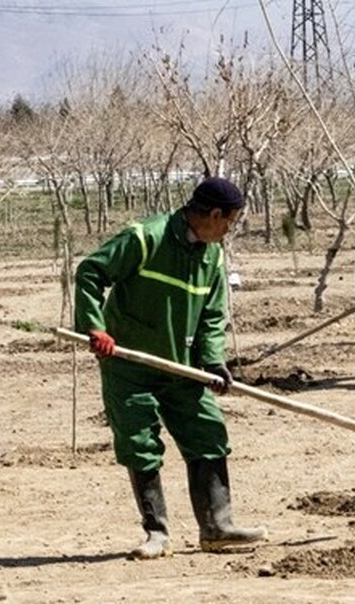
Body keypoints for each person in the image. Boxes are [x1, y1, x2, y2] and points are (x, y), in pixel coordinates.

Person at [74, 176, 265, 560]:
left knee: (207, 432)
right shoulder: (145, 238)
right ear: (214, 214)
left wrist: (212, 360)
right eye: (230, 221)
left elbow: (212, 315)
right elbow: (91, 272)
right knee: (140, 444)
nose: (230, 229)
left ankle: (217, 526)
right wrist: (95, 327)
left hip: (182, 365)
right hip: (128, 362)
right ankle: (156, 533)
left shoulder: (213, 256)